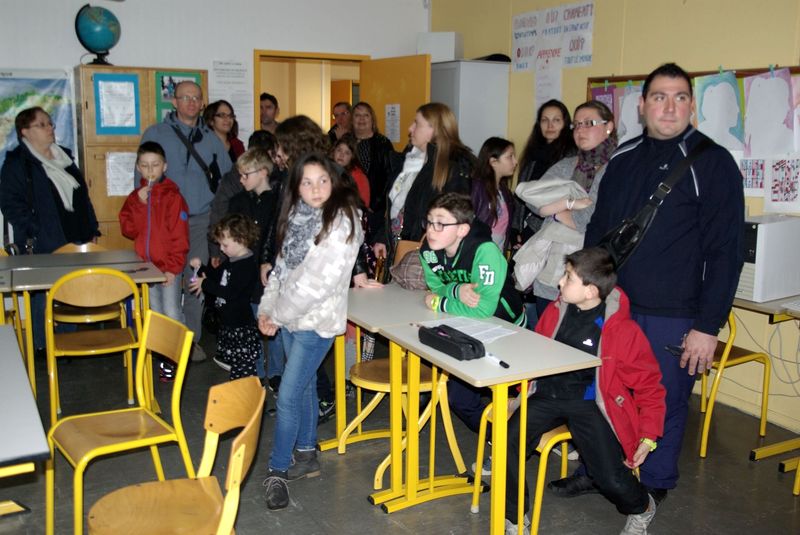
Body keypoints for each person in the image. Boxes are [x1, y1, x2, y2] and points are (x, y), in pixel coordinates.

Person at [577, 63, 745, 505]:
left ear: (692, 106)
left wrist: (708, 326)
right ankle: (602, 471)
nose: (669, 107)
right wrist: (585, 295)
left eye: (680, 98)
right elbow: (598, 233)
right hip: (615, 306)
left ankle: (649, 487)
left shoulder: (713, 164)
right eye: (659, 97)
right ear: (642, 104)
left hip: (675, 314)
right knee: (604, 392)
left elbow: (726, 253)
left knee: (662, 404)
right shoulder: (624, 158)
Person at [504, 247, 666, 535]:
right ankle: (515, 518)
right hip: (547, 395)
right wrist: (518, 393)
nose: (559, 283)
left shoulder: (622, 331)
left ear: (590, 291)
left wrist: (649, 435)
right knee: (507, 442)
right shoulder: (555, 312)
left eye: (568, 278)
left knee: (610, 479)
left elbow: (649, 386)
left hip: (590, 403)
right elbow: (535, 353)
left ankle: (643, 506)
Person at [258, 152, 362, 510]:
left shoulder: (343, 222)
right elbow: (281, 269)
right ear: (296, 186)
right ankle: (305, 453)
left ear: (333, 182)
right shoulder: (297, 217)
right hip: (288, 318)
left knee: (286, 396)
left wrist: (277, 314)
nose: (316, 188)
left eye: (322, 180)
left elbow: (315, 283)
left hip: (315, 323)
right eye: (307, 181)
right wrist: (268, 308)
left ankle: (277, 470)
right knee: (299, 387)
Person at [419, 193, 526, 445]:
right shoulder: (429, 251)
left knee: (504, 394)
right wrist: (457, 290)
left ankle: (513, 441)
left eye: (441, 223)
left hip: (507, 329)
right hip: (464, 325)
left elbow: (483, 310)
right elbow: (435, 285)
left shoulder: (485, 252)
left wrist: (441, 302)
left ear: (463, 229)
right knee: (460, 399)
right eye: (429, 221)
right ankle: (500, 440)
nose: (431, 230)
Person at [140, 80, 233, 362]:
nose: (191, 103)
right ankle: (166, 343)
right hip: (165, 225)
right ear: (174, 102)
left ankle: (190, 341)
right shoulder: (156, 133)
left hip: (200, 224)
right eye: (185, 98)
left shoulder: (211, 139)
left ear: (202, 102)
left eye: (196, 98)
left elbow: (228, 181)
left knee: (195, 283)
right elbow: (142, 179)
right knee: (166, 283)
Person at [0, 106, 100, 353]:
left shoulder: (64, 158)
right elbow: (11, 205)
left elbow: (82, 197)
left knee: (72, 290)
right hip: (42, 241)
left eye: (50, 123)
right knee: (42, 296)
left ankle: (67, 344)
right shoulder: (17, 164)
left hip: (76, 236)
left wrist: (92, 228)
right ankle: (42, 347)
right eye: (42, 124)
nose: (50, 129)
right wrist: (35, 229)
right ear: (25, 132)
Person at [516, 101, 618, 317]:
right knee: (545, 337)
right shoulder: (567, 164)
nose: (580, 130)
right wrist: (568, 205)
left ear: (608, 126)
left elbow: (588, 221)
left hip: (593, 275)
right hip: (554, 271)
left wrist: (552, 210)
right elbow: (531, 197)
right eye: (576, 124)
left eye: (588, 123)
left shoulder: (618, 166)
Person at [118, 141, 189, 381]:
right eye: (145, 166)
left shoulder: (173, 197)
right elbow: (128, 229)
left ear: (164, 166)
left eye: (155, 165)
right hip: (146, 267)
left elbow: (179, 235)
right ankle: (164, 357)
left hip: (168, 267)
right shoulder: (135, 197)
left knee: (171, 311)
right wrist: (139, 204)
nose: (150, 171)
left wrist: (173, 268)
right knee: (155, 313)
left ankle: (178, 355)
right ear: (138, 167)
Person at [374, 102, 475, 266]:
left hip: (429, 253)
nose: (410, 128)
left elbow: (457, 217)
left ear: (434, 130)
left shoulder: (454, 167)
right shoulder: (410, 161)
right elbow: (396, 208)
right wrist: (382, 237)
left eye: (417, 124)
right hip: (398, 248)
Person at [188, 213, 262, 380]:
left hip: (241, 327)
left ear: (241, 239)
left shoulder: (246, 266)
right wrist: (201, 269)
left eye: (225, 245)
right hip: (229, 324)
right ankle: (239, 393)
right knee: (235, 369)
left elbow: (230, 292)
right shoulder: (231, 259)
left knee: (244, 371)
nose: (221, 249)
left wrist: (204, 284)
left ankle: (247, 398)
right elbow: (215, 277)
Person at [208, 129, 278, 268]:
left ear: (263, 172)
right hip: (243, 263)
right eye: (240, 175)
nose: (241, 180)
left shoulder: (278, 200)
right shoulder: (238, 201)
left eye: (246, 175)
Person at [512, 99, 577, 244]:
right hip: (525, 227)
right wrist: (515, 228)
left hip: (552, 229)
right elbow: (521, 195)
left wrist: (530, 230)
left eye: (556, 120)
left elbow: (559, 197)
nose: (550, 125)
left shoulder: (570, 157)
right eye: (544, 120)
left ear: (565, 124)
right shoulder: (532, 154)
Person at [351, 102, 394, 229]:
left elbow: (390, 176)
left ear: (372, 119)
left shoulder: (383, 143)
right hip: (348, 207)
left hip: (375, 209)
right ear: (352, 119)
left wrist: (375, 204)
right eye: (357, 115)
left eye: (366, 115)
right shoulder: (345, 142)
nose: (361, 119)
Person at [470, 137, 517, 251]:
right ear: (493, 162)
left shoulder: (505, 191)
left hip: (497, 254)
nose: (515, 162)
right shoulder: (476, 188)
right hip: (479, 252)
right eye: (510, 157)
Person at [331, 133, 370, 207]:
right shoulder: (325, 169)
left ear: (352, 157)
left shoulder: (359, 177)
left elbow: (364, 206)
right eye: (339, 150)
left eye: (347, 153)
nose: (341, 155)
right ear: (333, 151)